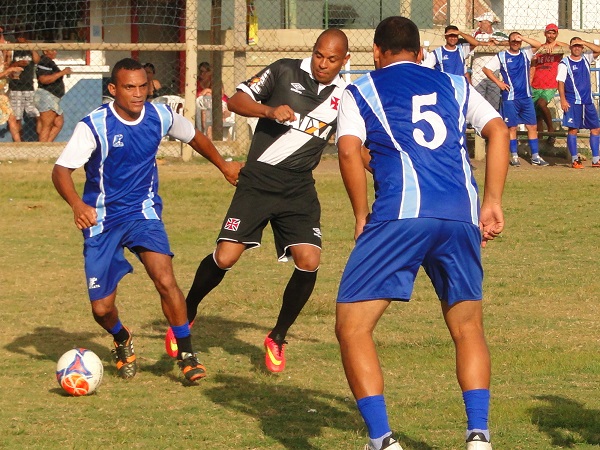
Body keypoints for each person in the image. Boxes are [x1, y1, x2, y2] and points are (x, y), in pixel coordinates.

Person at [335, 16, 508, 450]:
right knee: (467, 327)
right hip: (459, 214)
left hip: (401, 213)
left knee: (352, 326)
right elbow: (499, 130)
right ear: (420, 52)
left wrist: (360, 215)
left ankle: (381, 440)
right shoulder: (454, 84)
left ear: (376, 53)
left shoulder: (362, 90)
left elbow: (348, 151)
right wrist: (491, 201)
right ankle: (479, 436)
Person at [164, 28, 350, 374]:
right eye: (318, 54)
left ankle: (277, 336)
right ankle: (185, 314)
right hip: (258, 180)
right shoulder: (283, 70)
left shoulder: (347, 96)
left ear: (345, 61)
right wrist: (267, 111)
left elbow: (356, 143)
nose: (322, 63)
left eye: (331, 59)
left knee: (309, 260)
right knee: (225, 256)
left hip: (298, 188)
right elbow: (234, 101)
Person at [51, 58, 242, 383]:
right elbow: (60, 171)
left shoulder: (160, 115)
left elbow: (194, 137)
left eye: (143, 86)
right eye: (129, 87)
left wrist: (223, 166)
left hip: (143, 213)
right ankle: (122, 338)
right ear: (113, 89)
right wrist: (75, 205)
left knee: (165, 279)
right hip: (102, 220)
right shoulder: (94, 125)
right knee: (101, 309)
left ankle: (186, 354)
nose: (138, 93)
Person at [482, 32, 549, 166]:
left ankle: (535, 156)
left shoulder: (525, 53)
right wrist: (498, 82)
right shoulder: (502, 56)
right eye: (513, 41)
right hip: (510, 98)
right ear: (509, 42)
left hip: (526, 97)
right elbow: (486, 69)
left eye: (518, 41)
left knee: (532, 126)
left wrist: (522, 37)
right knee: (512, 127)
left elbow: (538, 44)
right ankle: (514, 156)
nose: (515, 43)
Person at [557, 37, 600, 169]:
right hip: (572, 102)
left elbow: (598, 50)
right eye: (574, 46)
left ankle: (596, 159)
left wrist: (585, 42)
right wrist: (563, 100)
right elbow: (560, 83)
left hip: (587, 102)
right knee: (573, 129)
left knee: (595, 128)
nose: (577, 48)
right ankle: (575, 159)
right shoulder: (564, 63)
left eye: (579, 46)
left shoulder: (586, 58)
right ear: (570, 48)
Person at [530, 24, 568, 145]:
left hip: (550, 84)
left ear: (556, 34)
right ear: (544, 33)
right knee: (537, 114)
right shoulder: (540, 49)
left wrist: (554, 45)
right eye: (549, 33)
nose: (551, 35)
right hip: (536, 83)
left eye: (553, 33)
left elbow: (569, 47)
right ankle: (540, 140)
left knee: (542, 104)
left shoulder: (558, 48)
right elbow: (533, 66)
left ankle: (551, 129)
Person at [471, 12, 509, 110]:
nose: (478, 25)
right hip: (478, 75)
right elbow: (472, 42)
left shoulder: (498, 34)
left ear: (488, 23)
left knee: (493, 103)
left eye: (481, 22)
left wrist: (498, 43)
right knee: (478, 102)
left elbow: (510, 41)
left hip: (494, 75)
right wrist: (487, 43)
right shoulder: (476, 33)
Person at [34, 43, 72, 142]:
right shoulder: (45, 61)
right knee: (47, 125)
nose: (55, 52)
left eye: (56, 50)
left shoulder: (49, 62)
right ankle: (42, 149)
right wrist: (62, 72)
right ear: (45, 51)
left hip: (51, 97)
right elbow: (44, 79)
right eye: (52, 50)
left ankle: (47, 144)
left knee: (58, 122)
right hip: (46, 96)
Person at [9, 29, 41, 141]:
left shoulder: (30, 49)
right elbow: (7, 67)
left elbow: (37, 60)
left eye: (24, 36)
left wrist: (31, 47)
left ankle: (41, 140)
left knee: (37, 115)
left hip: (29, 87)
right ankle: (19, 142)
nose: (21, 38)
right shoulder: (12, 50)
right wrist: (17, 63)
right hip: (15, 87)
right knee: (17, 117)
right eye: (19, 36)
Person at [422, 25, 486, 79]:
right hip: (446, 86)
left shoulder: (462, 49)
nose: (453, 38)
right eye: (450, 36)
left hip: (460, 86)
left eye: (455, 36)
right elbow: (424, 69)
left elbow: (475, 43)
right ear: (445, 36)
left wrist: (460, 33)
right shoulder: (437, 53)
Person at [0, 65, 23, 141]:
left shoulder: (3, 59)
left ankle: (18, 143)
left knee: (11, 118)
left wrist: (11, 73)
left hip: (2, 96)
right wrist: (9, 70)